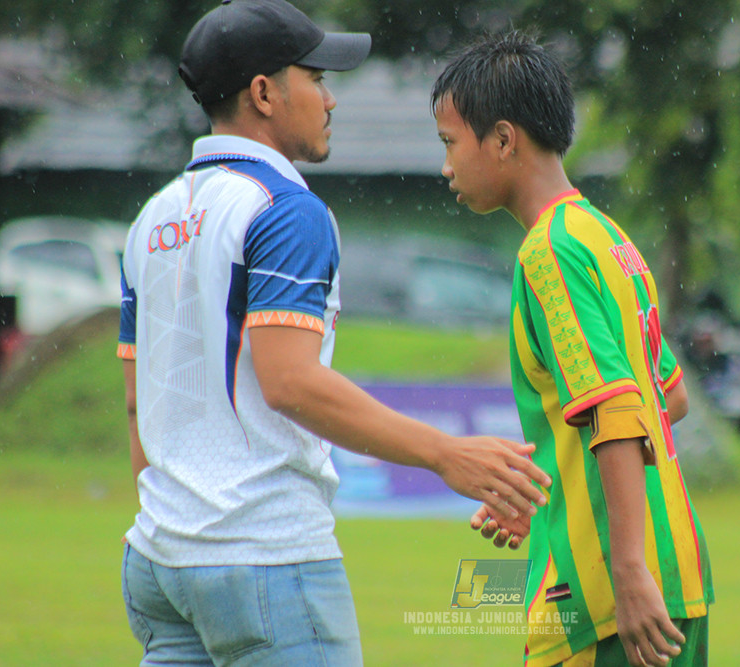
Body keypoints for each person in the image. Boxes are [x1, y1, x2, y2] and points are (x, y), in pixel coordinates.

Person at [117, 3, 550, 666]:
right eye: (315, 77)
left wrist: (180, 526)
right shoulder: (286, 210)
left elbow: (136, 403)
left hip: (158, 561)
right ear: (264, 92)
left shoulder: (152, 218)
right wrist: (446, 454)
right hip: (265, 555)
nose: (331, 97)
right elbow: (290, 382)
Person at [432, 31, 713, 667]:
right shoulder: (608, 237)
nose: (446, 166)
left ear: (503, 140)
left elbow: (615, 410)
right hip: (680, 576)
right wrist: (552, 485)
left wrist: (627, 569)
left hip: (605, 598)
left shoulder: (548, 253)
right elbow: (669, 396)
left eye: (450, 143)